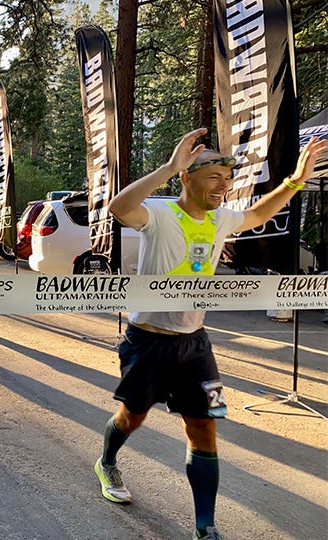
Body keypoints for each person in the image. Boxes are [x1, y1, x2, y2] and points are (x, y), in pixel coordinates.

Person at [94, 128, 327, 540]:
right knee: (134, 417)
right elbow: (118, 207)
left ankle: (206, 527)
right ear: (188, 176)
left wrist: (295, 180)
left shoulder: (222, 218)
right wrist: (167, 167)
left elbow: (257, 216)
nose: (224, 185)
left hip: (195, 344)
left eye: (227, 178)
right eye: (214, 176)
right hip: (147, 340)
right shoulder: (161, 213)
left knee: (203, 426)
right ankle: (107, 460)